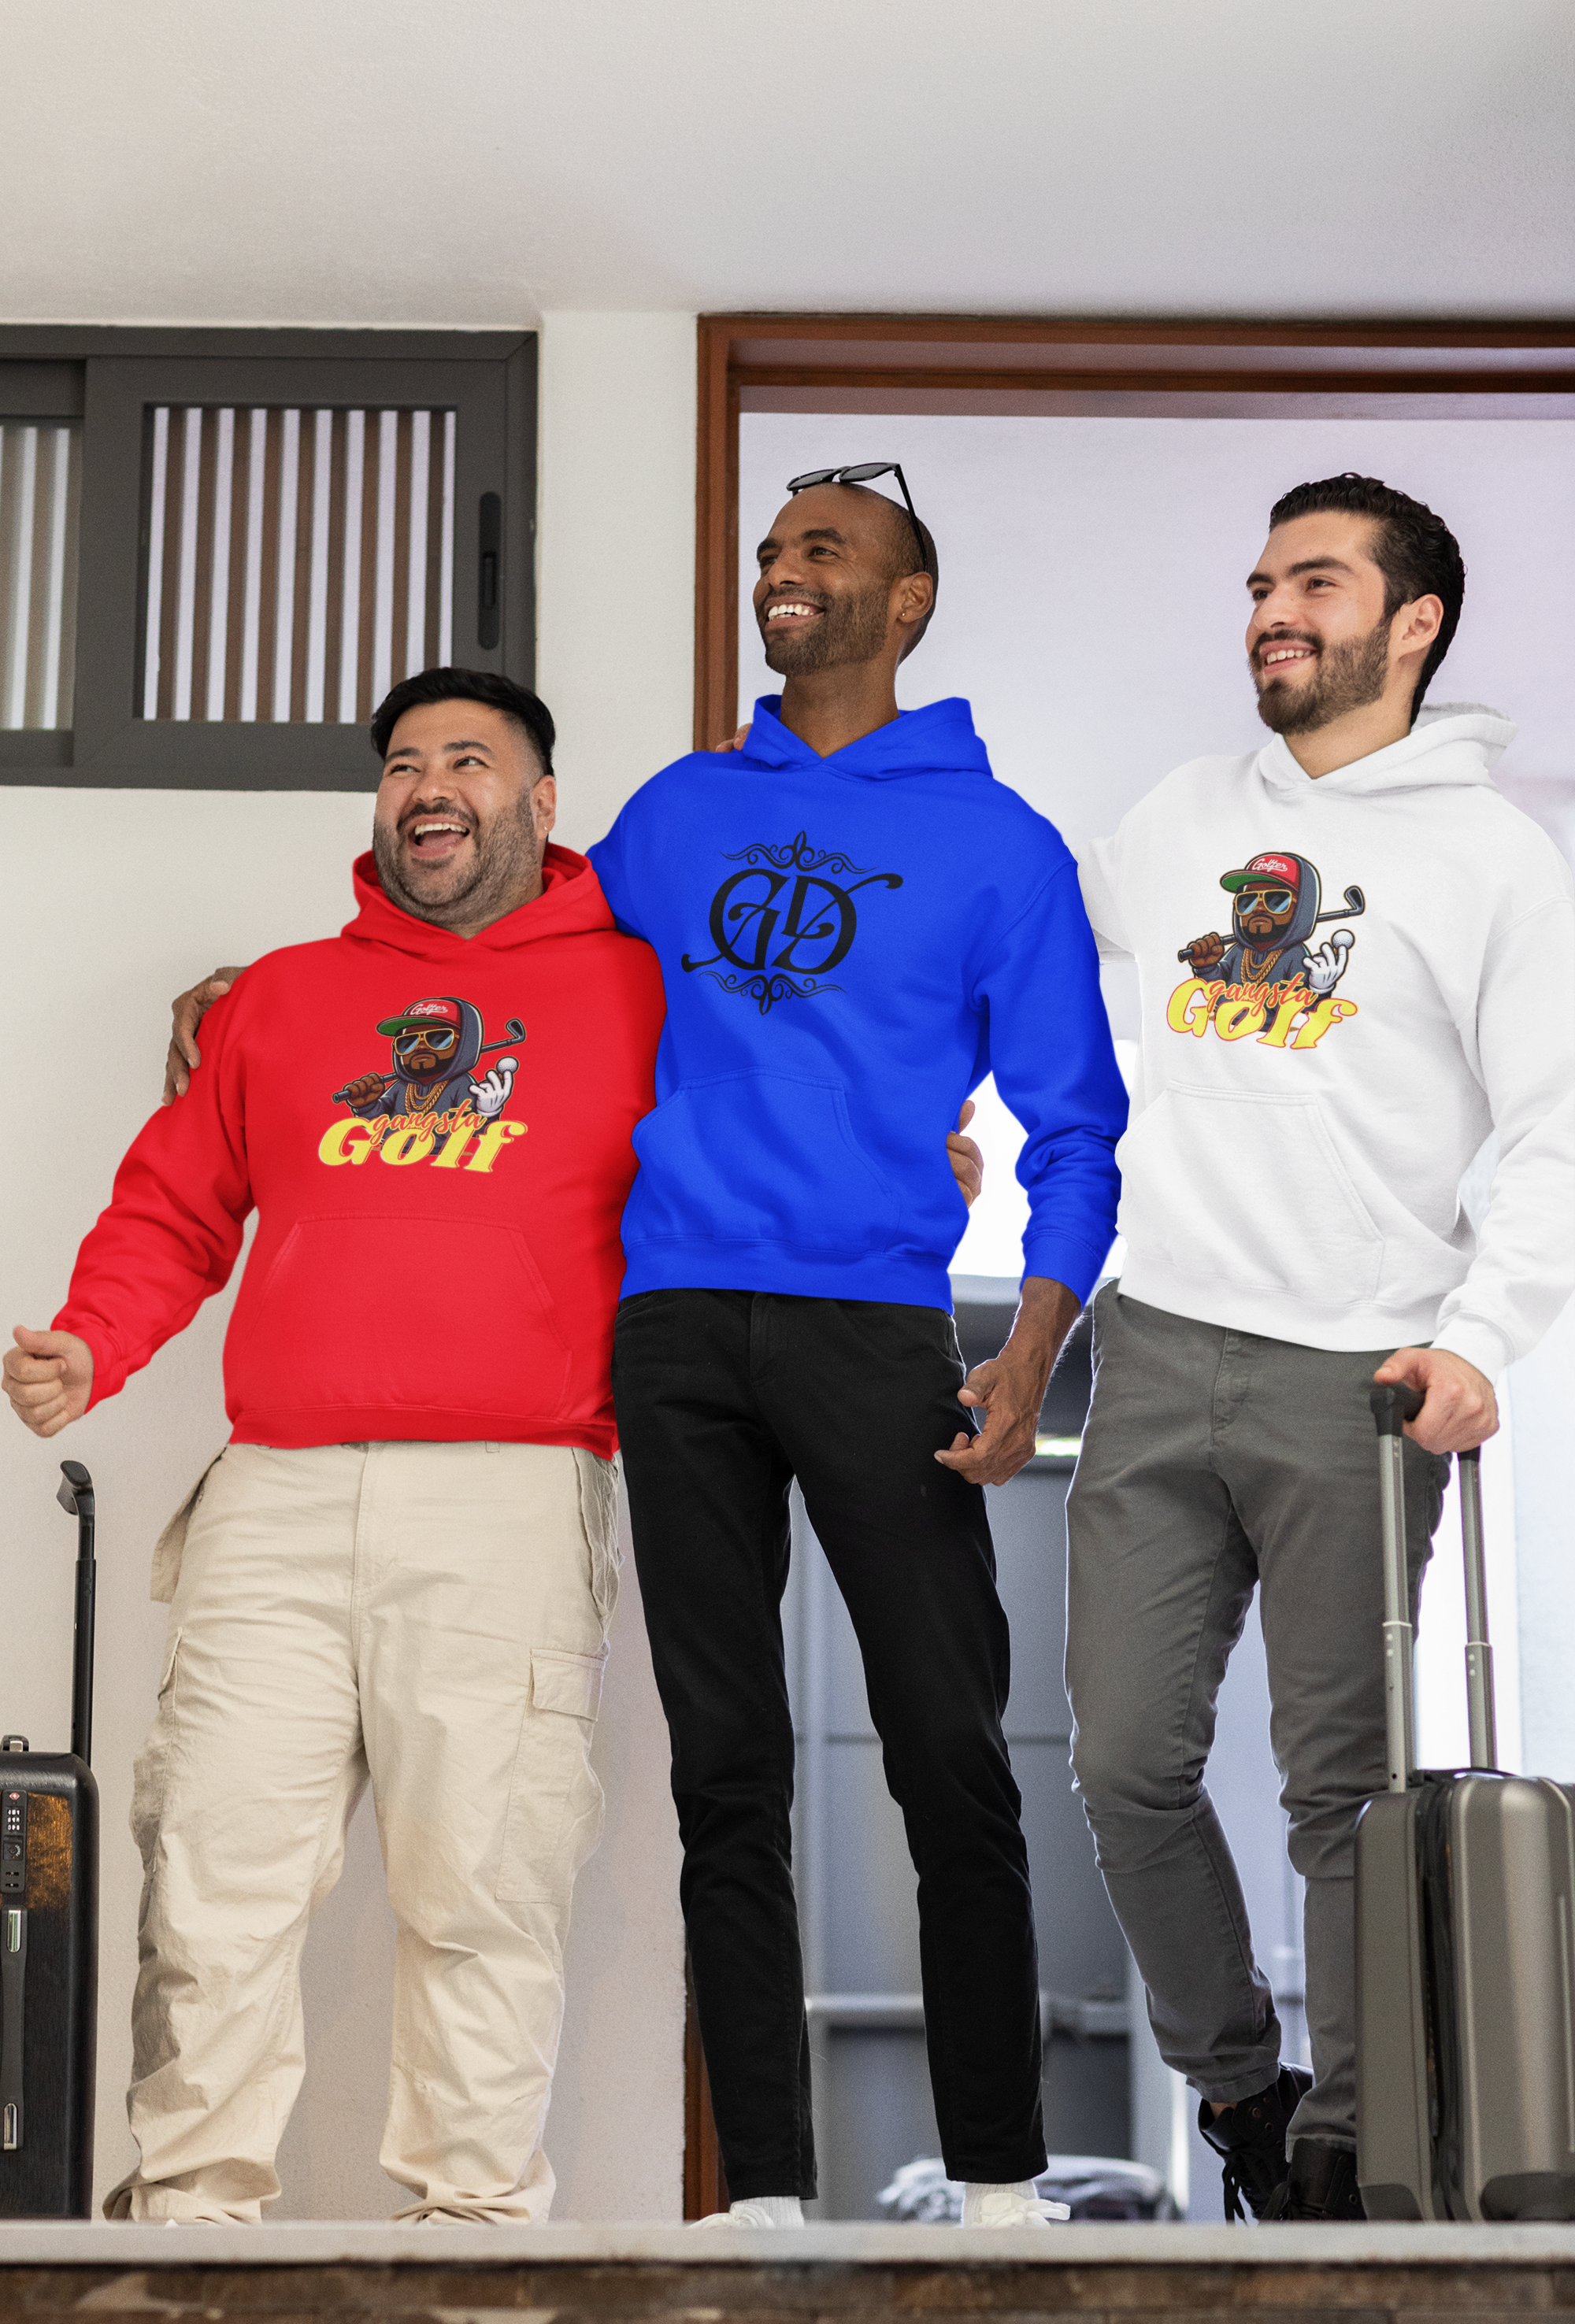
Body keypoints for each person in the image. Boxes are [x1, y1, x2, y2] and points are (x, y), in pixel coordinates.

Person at [161, 468, 1127, 2230]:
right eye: (771, 550)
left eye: (821, 549)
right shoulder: (680, 814)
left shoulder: (1001, 844)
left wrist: (1031, 1345)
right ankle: (760, 2186)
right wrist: (257, 1000)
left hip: (869, 1320)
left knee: (948, 1750)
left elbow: (1077, 1126)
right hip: (670, 1327)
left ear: (907, 602)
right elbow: (499, 938)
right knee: (724, 1765)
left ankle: (997, 2176)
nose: (782, 571)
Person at [2, 672, 667, 2222]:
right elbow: (176, 1205)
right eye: (402, 765)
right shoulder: (284, 1002)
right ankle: (187, 2224)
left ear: (543, 802)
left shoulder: (639, 991)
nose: (428, 784)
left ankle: (474, 2241)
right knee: (213, 1886)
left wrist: (911, 1149)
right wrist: (93, 1339)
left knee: (484, 1894)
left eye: (468, 760)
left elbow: (762, 1126)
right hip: (279, 1498)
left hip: (511, 1493)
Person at [1065, 473, 1575, 2222]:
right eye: (1263, 582)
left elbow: (1558, 1123)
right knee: (1123, 1760)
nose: (1273, 609)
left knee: (1333, 1790)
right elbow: (1021, 958)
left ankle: (1351, 2145)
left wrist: (1482, 1335)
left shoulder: (1494, 856)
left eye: (1317, 581)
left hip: (1354, 1376)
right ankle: (1242, 2093)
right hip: (1154, 1346)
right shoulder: (1179, 811)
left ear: (1411, 622)